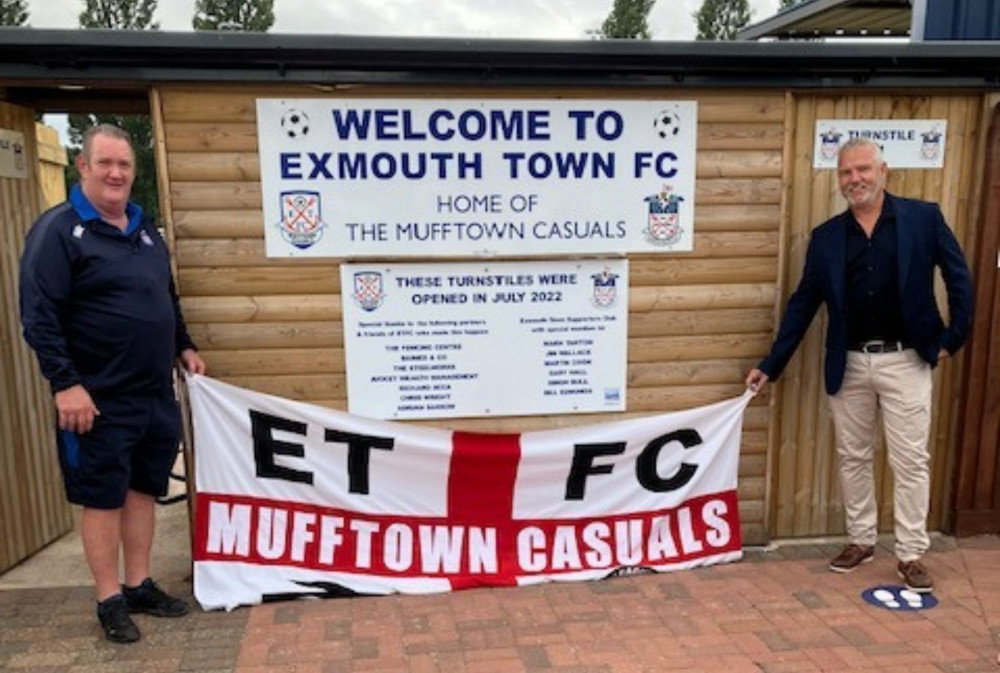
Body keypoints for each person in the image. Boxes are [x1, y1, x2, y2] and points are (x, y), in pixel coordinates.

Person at [745, 137, 973, 593]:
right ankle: (861, 539)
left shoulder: (922, 219)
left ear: (883, 170)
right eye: (847, 173)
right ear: (838, 179)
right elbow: (804, 302)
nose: (856, 179)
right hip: (848, 363)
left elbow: (959, 278)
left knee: (911, 461)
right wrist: (772, 364)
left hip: (907, 360)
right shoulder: (828, 237)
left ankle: (910, 552)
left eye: (863, 170)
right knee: (853, 456)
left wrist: (951, 340)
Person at [19, 123, 206, 643]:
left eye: (124, 164)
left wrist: (183, 345)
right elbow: (38, 315)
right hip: (95, 399)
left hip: (152, 394)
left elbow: (164, 300)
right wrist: (65, 383)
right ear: (83, 167)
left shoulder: (145, 231)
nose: (116, 173)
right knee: (102, 498)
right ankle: (109, 598)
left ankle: (139, 582)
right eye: (105, 163)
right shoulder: (58, 231)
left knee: (143, 489)